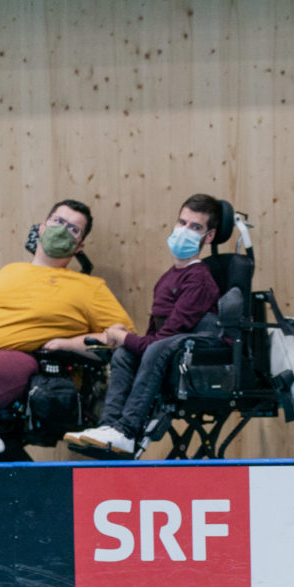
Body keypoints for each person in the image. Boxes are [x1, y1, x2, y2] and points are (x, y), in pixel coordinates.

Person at [0, 200, 135, 434]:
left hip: (17, 357)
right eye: (58, 221)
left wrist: (69, 343)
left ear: (79, 246)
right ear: (42, 227)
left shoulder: (90, 287)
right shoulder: (9, 271)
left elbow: (124, 338)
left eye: (73, 229)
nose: (62, 230)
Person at [63, 194, 223, 455]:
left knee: (148, 348)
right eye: (182, 223)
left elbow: (165, 338)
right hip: (166, 352)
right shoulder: (167, 278)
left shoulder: (199, 280)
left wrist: (124, 338)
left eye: (195, 227)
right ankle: (110, 427)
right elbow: (153, 336)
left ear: (209, 236)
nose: (184, 231)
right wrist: (126, 339)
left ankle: (127, 431)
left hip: (194, 357)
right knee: (125, 354)